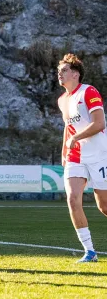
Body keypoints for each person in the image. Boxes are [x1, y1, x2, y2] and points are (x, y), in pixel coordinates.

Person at [56, 53, 107, 263]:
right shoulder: (62, 100)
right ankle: (90, 252)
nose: (60, 74)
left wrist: (76, 137)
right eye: (59, 71)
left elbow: (99, 124)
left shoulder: (89, 91)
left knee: (104, 206)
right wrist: (63, 153)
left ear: (75, 74)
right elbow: (68, 129)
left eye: (64, 70)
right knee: (72, 199)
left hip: (99, 155)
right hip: (75, 156)